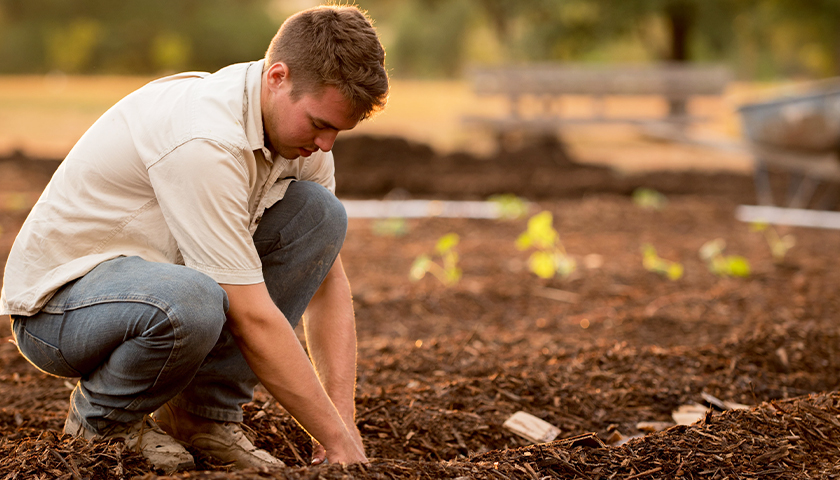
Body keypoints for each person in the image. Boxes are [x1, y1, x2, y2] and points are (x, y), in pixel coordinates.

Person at [0, 5, 388, 473]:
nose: (326, 145)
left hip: (157, 289)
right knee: (196, 299)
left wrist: (343, 426)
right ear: (278, 77)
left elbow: (326, 284)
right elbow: (251, 317)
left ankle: (201, 416)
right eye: (319, 123)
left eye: (337, 131)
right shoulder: (204, 138)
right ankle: (104, 422)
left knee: (319, 215)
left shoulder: (301, 143)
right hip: (59, 310)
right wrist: (331, 436)